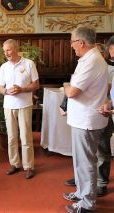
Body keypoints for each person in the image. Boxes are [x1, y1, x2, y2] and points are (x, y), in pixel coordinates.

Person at [62, 26, 108, 213]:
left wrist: (66, 85)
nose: (72, 46)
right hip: (82, 119)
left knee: (86, 162)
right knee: (81, 161)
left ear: (81, 42)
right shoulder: (89, 58)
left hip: (87, 121)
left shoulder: (92, 61)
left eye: (72, 42)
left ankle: (88, 204)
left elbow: (72, 91)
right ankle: (82, 193)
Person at [0, 39, 39, 179]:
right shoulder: (4, 67)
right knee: (11, 137)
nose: (6, 53)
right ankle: (15, 164)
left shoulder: (28, 63)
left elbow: (36, 85)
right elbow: (0, 88)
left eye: (8, 50)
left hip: (24, 105)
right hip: (8, 106)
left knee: (26, 137)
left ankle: (29, 166)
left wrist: (22, 89)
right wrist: (6, 92)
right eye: (5, 51)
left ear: (16, 49)